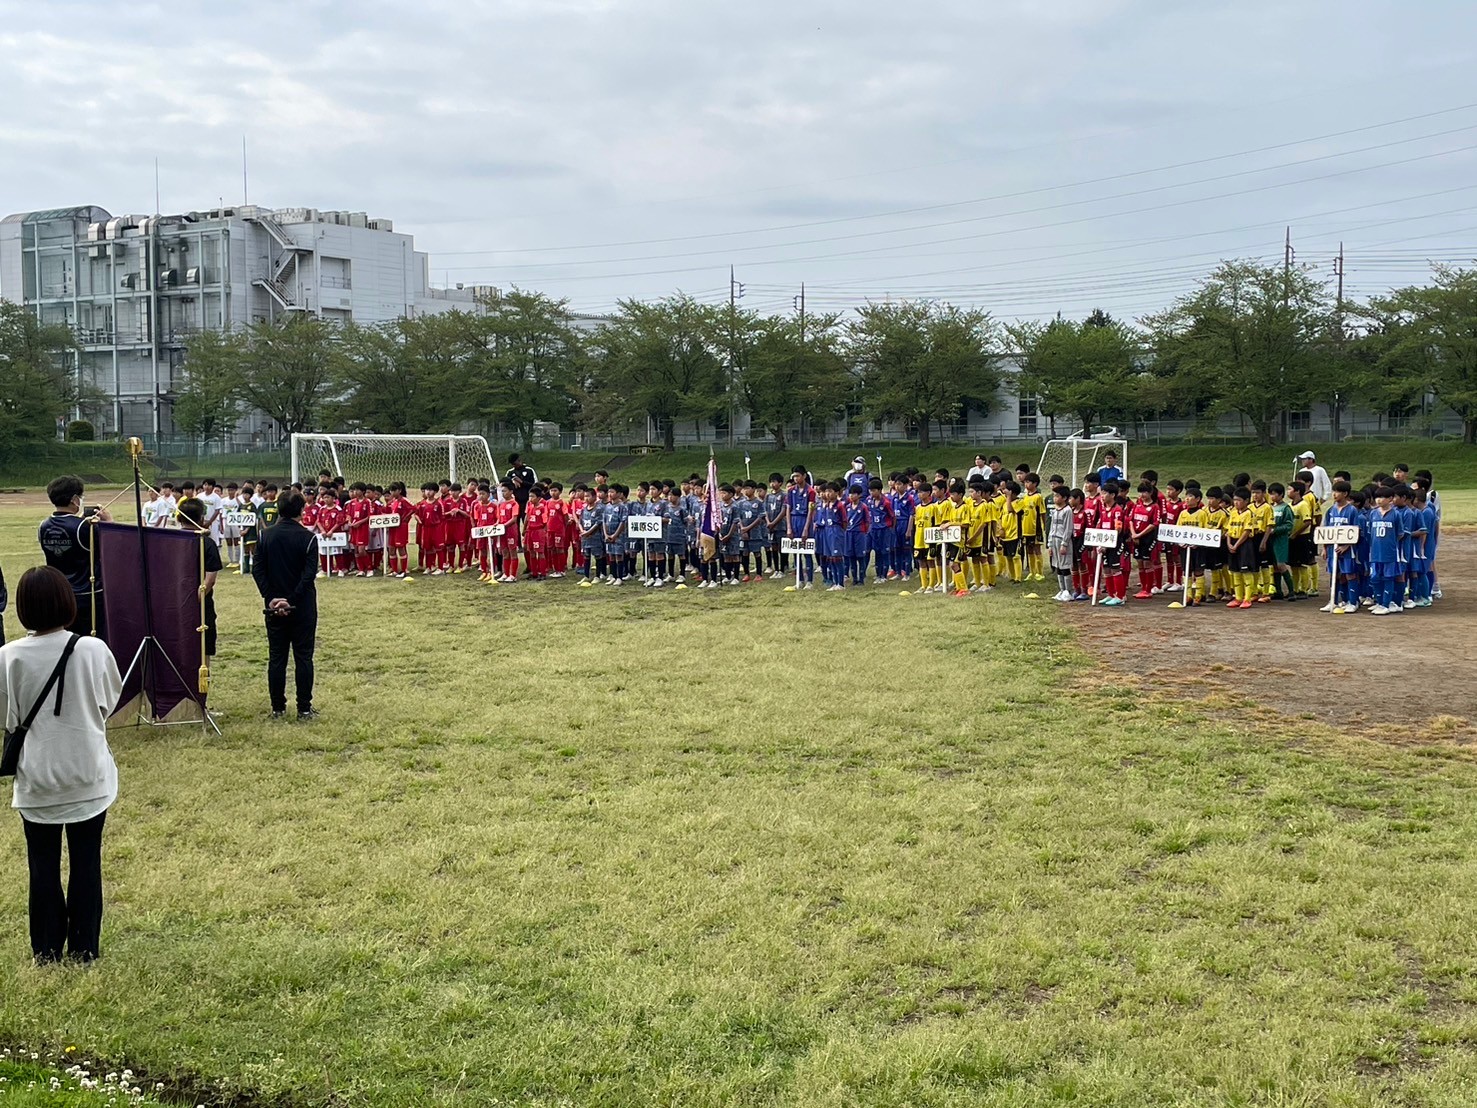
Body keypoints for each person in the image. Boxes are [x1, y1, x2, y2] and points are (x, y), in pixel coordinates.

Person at [2, 566, 122, 963]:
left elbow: (7, 718)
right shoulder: (93, 649)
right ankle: (85, 947)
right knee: (87, 862)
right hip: (88, 774)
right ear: (68, 603)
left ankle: (46, 949)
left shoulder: (9, 657)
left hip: (38, 778)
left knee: (42, 865)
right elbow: (108, 702)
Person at [251, 490, 320, 720]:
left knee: (277, 657)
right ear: (302, 511)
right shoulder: (309, 538)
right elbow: (308, 575)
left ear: (278, 510)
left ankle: (277, 707)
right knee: (303, 656)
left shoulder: (264, 536)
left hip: (272, 607)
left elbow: (258, 570)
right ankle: (304, 708)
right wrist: (290, 600)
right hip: (302, 607)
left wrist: (272, 598)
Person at [38, 475, 112, 639]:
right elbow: (111, 550)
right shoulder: (84, 528)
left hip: (59, 593)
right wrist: (108, 522)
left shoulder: (43, 526)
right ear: (74, 500)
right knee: (92, 640)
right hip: (88, 596)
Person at [175, 498, 223, 659]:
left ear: (179, 518)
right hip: (200, 603)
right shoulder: (208, 543)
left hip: (176, 602)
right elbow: (210, 580)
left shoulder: (170, 540)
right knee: (203, 649)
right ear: (202, 518)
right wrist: (195, 598)